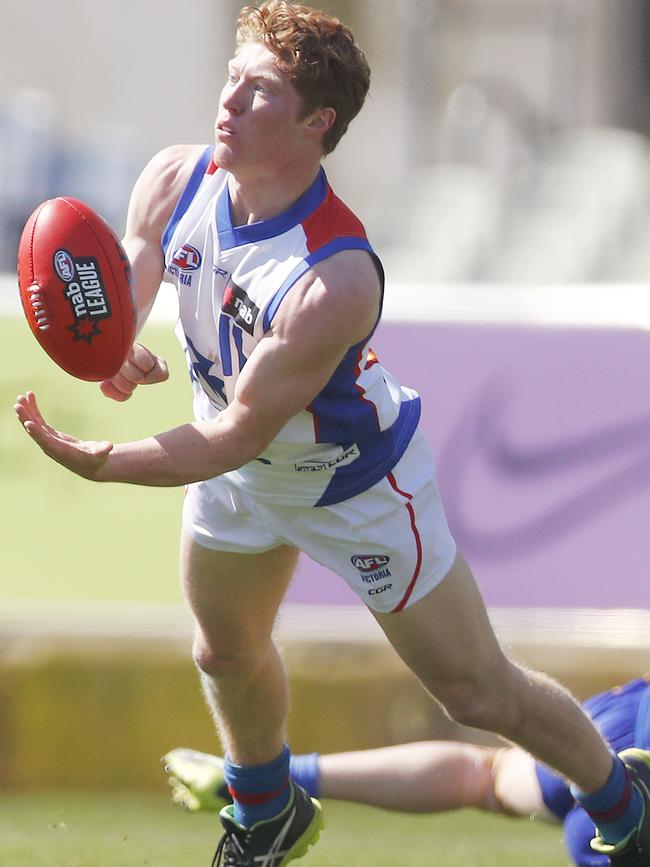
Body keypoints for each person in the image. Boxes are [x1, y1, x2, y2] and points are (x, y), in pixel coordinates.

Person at [12, 2, 650, 865]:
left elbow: (239, 433)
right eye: (232, 76)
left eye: (260, 88)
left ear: (319, 122)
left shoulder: (334, 276)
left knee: (476, 691)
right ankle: (265, 808)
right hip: (243, 473)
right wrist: (115, 347)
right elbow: (136, 278)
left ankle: (621, 797)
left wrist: (104, 463)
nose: (229, 99)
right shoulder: (174, 177)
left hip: (352, 483)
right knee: (224, 648)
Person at [162, 675, 650, 866]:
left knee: (492, 777)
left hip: (613, 732)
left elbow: (477, 775)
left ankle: (269, 786)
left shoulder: (600, 759)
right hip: (622, 764)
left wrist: (278, 781)